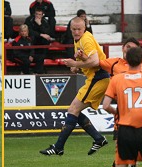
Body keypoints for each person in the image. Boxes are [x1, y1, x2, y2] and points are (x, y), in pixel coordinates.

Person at [39, 17, 109, 156]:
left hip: (98, 78)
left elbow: (95, 61)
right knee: (73, 110)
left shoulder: (86, 39)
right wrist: (78, 64)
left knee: (73, 109)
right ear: (70, 29)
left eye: (79, 29)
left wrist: (75, 64)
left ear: (85, 29)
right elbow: (89, 61)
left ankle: (59, 147)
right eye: (74, 29)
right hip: (95, 78)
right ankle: (98, 139)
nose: (77, 32)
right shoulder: (79, 40)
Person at [24, 7, 51, 74]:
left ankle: (39, 70)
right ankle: (37, 70)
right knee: (33, 38)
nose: (38, 16)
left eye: (40, 14)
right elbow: (29, 32)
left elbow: (47, 32)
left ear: (42, 15)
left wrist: (40, 24)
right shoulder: (29, 20)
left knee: (46, 40)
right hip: (32, 40)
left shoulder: (45, 21)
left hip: (41, 42)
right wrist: (41, 34)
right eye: (37, 14)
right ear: (34, 14)